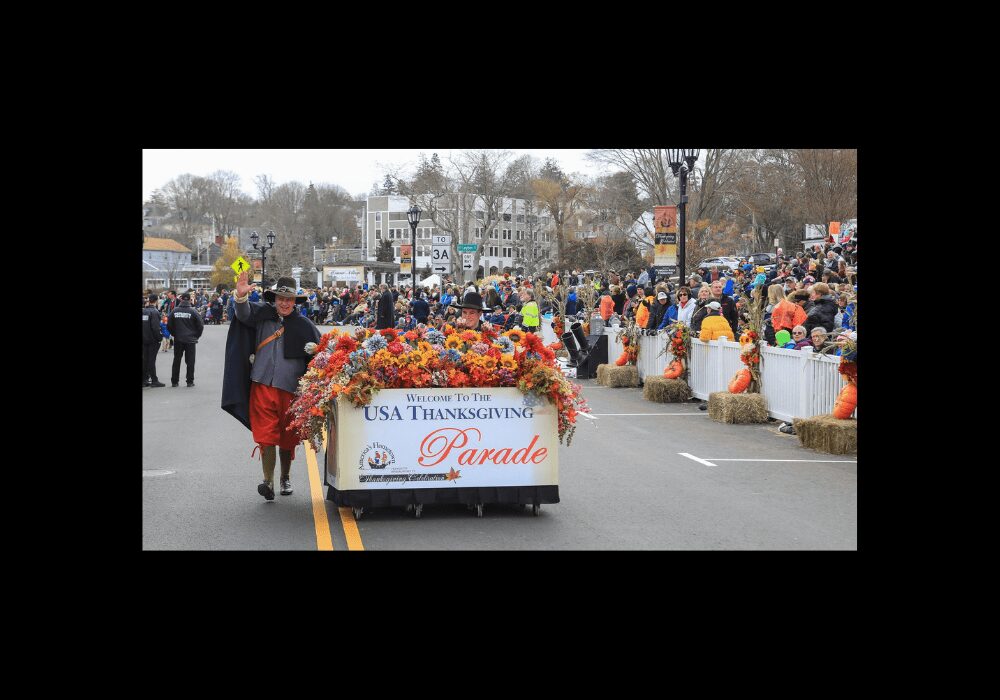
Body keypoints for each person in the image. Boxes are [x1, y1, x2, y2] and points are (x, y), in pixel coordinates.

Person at [223, 272, 322, 502]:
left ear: (295, 301)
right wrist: (240, 297)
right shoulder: (262, 315)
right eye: (280, 298)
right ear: (274, 299)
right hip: (262, 384)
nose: (284, 303)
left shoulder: (305, 326)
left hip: (291, 389)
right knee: (266, 435)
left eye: (289, 299)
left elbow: (319, 354)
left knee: (288, 437)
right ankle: (267, 481)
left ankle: (285, 477)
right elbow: (243, 313)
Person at [167, 292, 205, 387]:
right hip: (190, 340)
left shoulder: (174, 311)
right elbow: (200, 325)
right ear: (189, 300)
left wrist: (174, 334)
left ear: (181, 299)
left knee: (177, 360)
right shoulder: (193, 311)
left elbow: (169, 325)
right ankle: (190, 381)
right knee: (190, 361)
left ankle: (174, 382)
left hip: (178, 339)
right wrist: (196, 336)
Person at [142, 294, 165, 387]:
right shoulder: (155, 312)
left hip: (144, 339)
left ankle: (144, 379)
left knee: (145, 359)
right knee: (151, 360)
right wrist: (160, 338)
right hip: (152, 340)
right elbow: (156, 328)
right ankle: (154, 380)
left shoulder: (144, 311)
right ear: (156, 301)